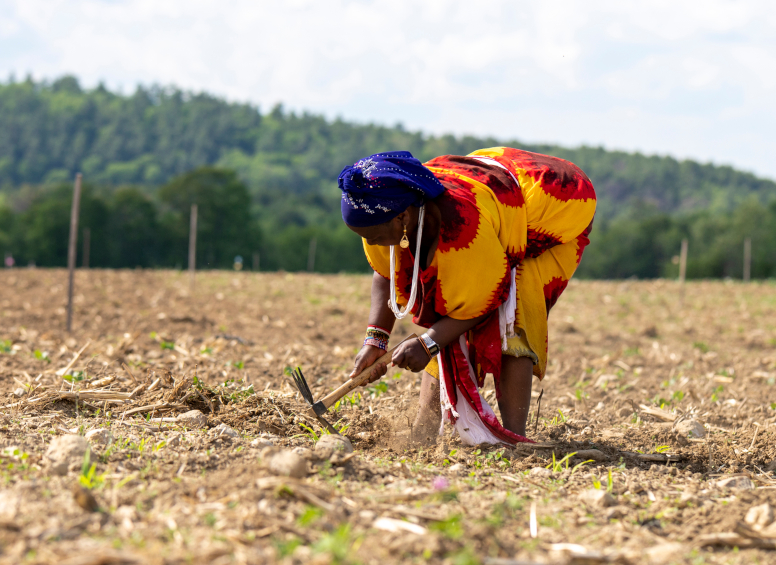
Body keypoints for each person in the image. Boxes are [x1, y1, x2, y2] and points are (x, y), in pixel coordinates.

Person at [341, 148, 596, 445]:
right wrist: (376, 340)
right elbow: (386, 271)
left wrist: (427, 342)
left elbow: (485, 298)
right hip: (494, 190)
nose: (370, 242)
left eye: (373, 236)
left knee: (513, 316)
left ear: (404, 217)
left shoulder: (464, 227)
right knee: (442, 323)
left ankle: (515, 440)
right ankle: (423, 432)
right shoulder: (381, 218)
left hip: (552, 203)